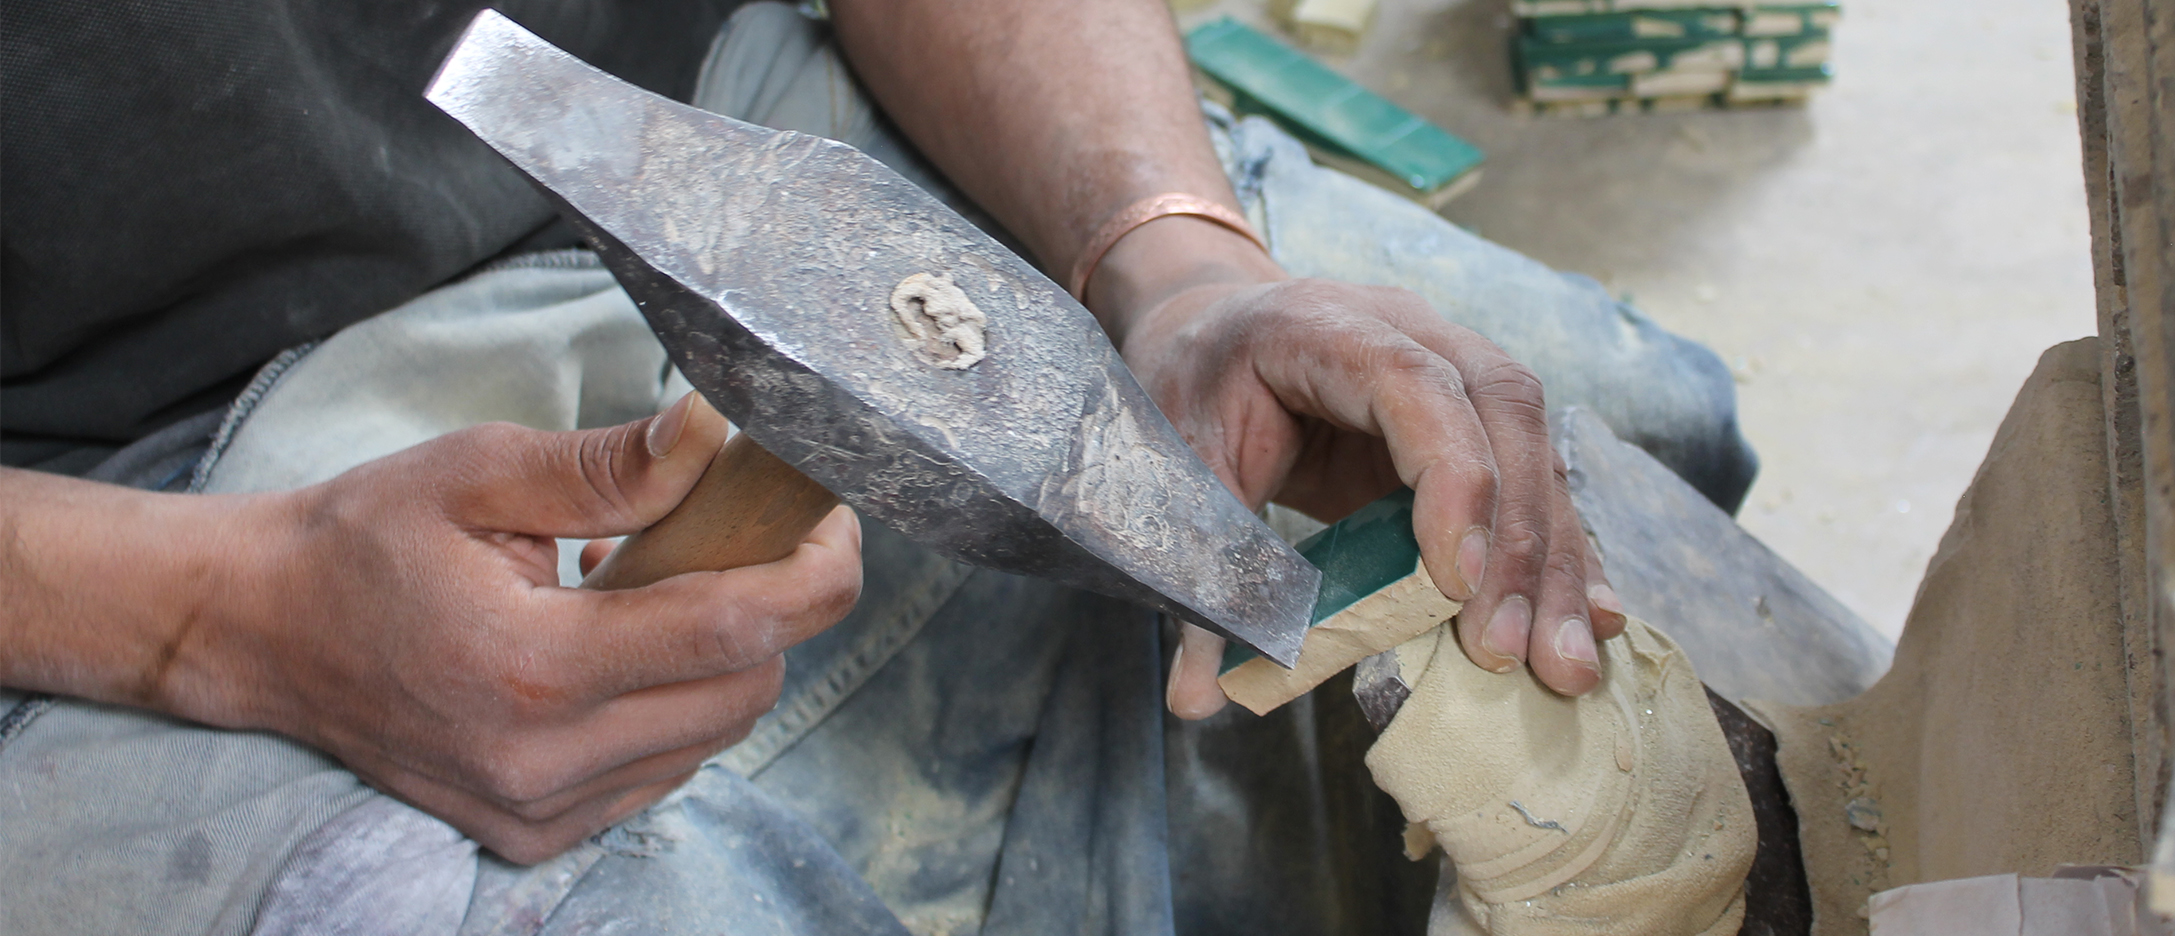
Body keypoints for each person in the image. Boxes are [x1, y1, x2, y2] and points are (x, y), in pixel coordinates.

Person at [0, 1, 1754, 932]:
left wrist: (1174, 256)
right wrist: (208, 616)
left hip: (740, 102)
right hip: (125, 488)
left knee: (1621, 445)